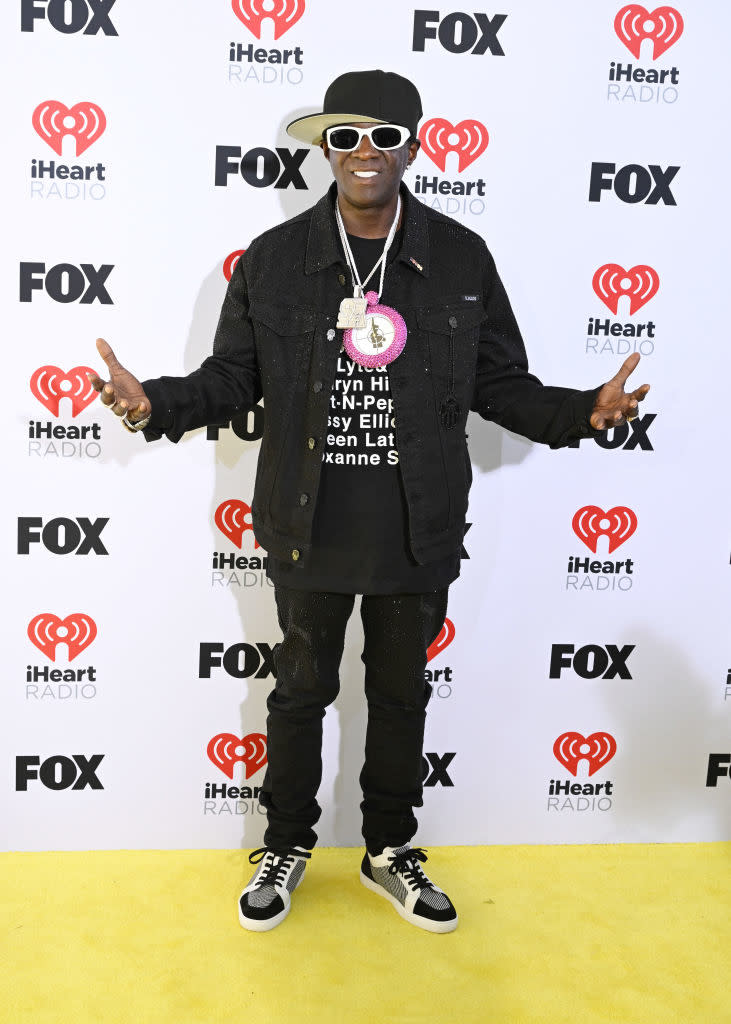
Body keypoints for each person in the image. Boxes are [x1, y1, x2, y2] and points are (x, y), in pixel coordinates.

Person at [88, 70, 649, 934]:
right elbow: (233, 378)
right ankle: (286, 844)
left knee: (399, 692)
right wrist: (154, 402)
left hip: (413, 520)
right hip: (308, 516)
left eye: (383, 136)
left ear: (413, 146)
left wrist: (583, 412)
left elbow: (498, 383)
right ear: (323, 148)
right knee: (299, 689)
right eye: (344, 136)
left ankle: (389, 846)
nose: (362, 153)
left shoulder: (458, 256)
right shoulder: (274, 261)